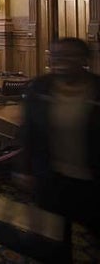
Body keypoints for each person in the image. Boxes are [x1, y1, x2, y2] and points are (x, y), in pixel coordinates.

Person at [18, 37, 100, 262]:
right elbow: (28, 132)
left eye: (67, 55)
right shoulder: (40, 87)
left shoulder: (96, 90)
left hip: (92, 182)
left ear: (84, 59)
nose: (60, 61)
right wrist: (25, 169)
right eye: (55, 56)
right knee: (53, 244)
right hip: (51, 179)